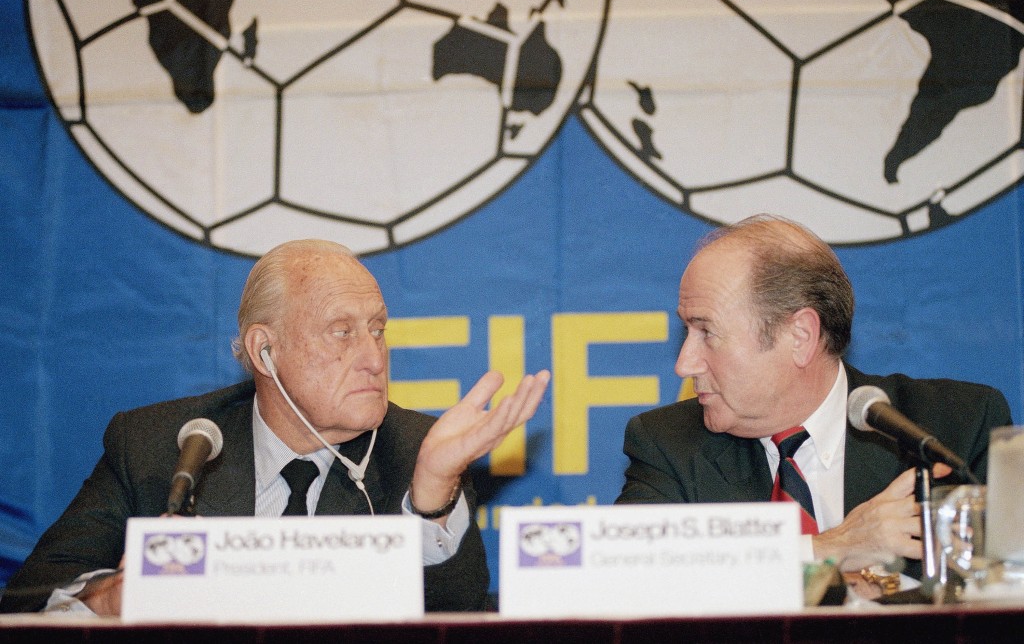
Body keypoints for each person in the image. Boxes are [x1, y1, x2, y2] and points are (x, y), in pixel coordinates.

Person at [0, 239, 550, 615]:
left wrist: (432, 495)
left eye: (377, 330)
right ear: (265, 350)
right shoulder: (163, 445)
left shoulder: (415, 451)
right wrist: (107, 597)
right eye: (342, 332)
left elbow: (458, 619)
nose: (373, 357)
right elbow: (26, 598)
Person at [616, 214, 1012, 581]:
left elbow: (999, 590)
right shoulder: (667, 445)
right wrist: (832, 549)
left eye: (706, 332)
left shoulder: (953, 427)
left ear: (800, 337)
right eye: (687, 331)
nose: (684, 364)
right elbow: (634, 583)